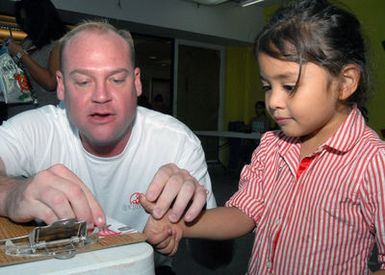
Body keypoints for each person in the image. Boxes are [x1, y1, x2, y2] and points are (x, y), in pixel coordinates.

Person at [141, 0, 385, 274]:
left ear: (345, 83)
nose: (274, 101)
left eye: (289, 85)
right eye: (268, 86)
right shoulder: (272, 146)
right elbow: (245, 213)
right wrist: (180, 226)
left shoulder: (374, 162)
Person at [0, 21, 216, 275]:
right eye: (82, 81)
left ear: (136, 83)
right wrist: (12, 193)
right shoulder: (38, 129)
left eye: (116, 79)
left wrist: (187, 223)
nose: (101, 95)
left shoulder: (177, 142)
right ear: (61, 85)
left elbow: (214, 259)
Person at [4, 0, 67, 117]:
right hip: (18, 114)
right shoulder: (28, 42)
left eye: (27, 20)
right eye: (21, 20)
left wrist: (21, 54)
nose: (24, 25)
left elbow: (51, 83)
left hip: (42, 116)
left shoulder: (59, 44)